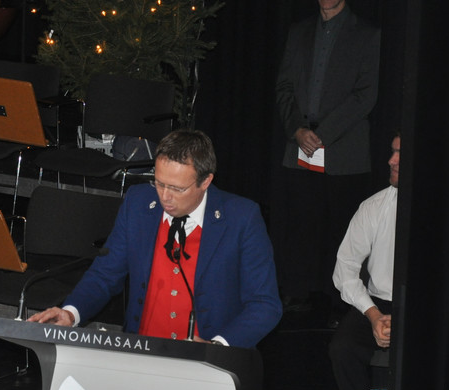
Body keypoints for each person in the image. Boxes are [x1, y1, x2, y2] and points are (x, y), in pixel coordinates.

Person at [29, 129, 283, 349]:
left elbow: (265, 305)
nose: (165, 197)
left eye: (177, 188)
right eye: (159, 183)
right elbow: (105, 274)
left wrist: (217, 347)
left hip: (207, 360)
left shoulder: (241, 218)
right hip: (142, 349)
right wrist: (71, 313)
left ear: (206, 181)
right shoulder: (138, 203)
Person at [274, 0, 382, 315]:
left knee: (342, 229)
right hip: (300, 147)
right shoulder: (299, 32)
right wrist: (297, 130)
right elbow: (284, 87)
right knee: (301, 224)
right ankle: (298, 291)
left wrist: (322, 135)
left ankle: (342, 302)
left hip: (344, 150)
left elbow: (365, 95)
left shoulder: (367, 35)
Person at [328, 134, 399, 390]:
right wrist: (373, 315)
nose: (391, 161)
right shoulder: (374, 206)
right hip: (378, 301)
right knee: (343, 348)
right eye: (392, 152)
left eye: (400, 154)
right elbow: (344, 270)